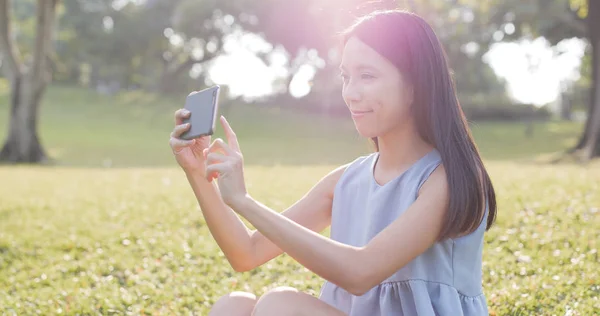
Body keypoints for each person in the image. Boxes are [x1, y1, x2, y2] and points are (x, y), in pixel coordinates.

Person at [169, 9, 497, 316]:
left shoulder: (448, 180)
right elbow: (247, 253)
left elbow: (360, 272)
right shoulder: (347, 181)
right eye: (345, 77)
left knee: (279, 306)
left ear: (415, 86)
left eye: (367, 75)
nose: (350, 93)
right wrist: (198, 172)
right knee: (234, 306)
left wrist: (244, 200)